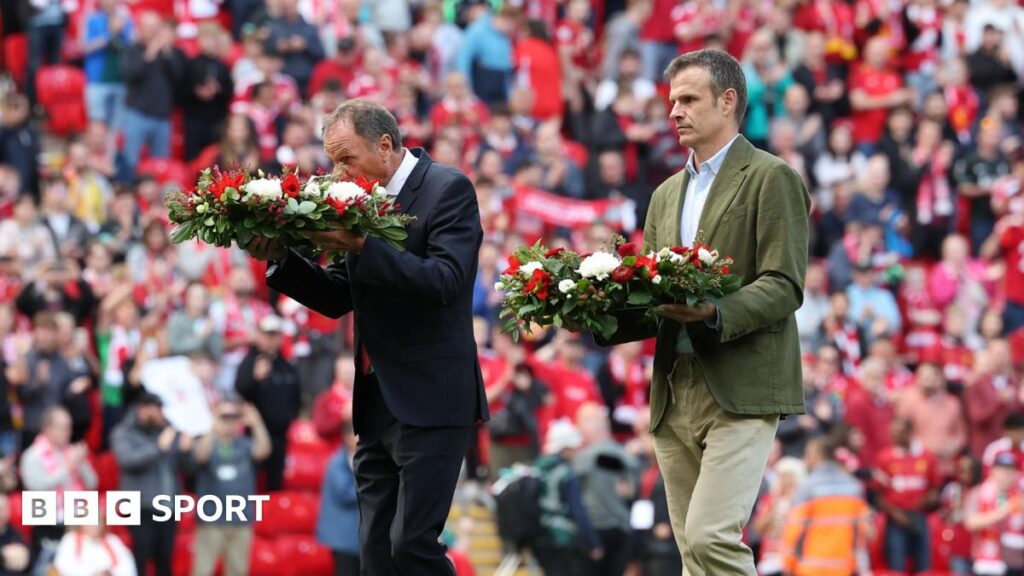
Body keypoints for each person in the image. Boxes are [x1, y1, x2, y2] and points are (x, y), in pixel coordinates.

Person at [243, 99, 487, 575]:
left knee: (410, 545)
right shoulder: (360, 201)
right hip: (376, 401)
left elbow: (445, 282)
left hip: (432, 398)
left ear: (385, 145)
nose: (338, 171)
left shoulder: (447, 189)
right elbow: (339, 296)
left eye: (346, 158)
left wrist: (362, 245)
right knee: (373, 551)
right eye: (333, 159)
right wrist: (280, 260)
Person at [598, 49, 811, 574]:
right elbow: (653, 300)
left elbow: (785, 284)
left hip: (742, 382)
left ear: (728, 101)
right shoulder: (665, 193)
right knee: (693, 550)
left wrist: (713, 313)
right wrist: (587, 309)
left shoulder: (771, 176)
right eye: (673, 101)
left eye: (689, 99)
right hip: (674, 386)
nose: (674, 112)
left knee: (711, 537)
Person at [190, 399, 271, 576]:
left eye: (233, 417)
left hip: (240, 519)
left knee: (238, 570)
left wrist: (256, 422)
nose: (229, 421)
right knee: (202, 570)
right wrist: (212, 425)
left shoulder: (244, 443)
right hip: (211, 520)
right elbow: (200, 456)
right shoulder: (208, 442)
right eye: (224, 416)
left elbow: (263, 450)